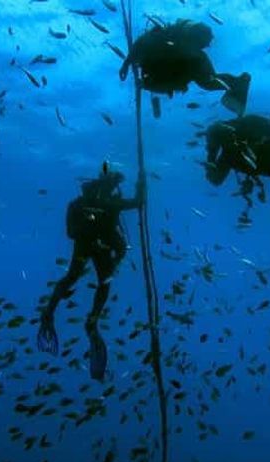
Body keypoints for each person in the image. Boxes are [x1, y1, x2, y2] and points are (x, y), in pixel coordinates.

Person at [37, 162, 141, 381]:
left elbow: (70, 233)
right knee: (103, 281)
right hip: (97, 247)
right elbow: (138, 202)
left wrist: (87, 230)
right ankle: (90, 319)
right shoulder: (108, 203)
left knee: (76, 277)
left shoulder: (80, 203)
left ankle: (51, 312)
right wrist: (142, 182)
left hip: (87, 246)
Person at [119, 18, 251, 117]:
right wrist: (126, 64)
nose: (206, 47)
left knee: (208, 81)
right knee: (209, 81)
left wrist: (129, 67)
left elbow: (175, 83)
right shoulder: (164, 41)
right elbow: (143, 43)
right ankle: (238, 82)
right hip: (170, 68)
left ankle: (239, 82)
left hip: (171, 69)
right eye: (203, 44)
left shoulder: (193, 57)